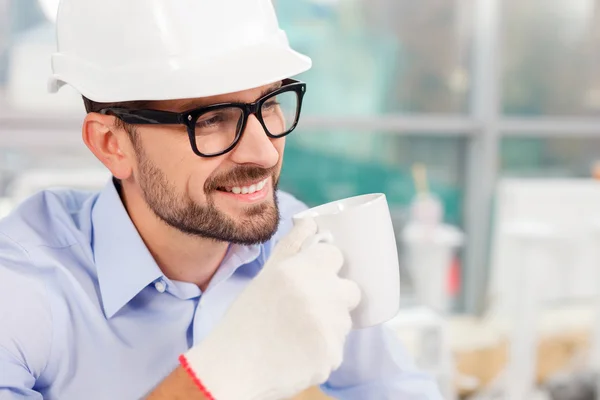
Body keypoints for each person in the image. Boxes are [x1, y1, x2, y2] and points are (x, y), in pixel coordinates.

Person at [0, 0, 443, 399]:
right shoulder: (24, 286)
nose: (264, 152)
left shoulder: (304, 241)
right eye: (211, 119)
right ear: (112, 145)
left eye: (270, 102)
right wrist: (225, 373)